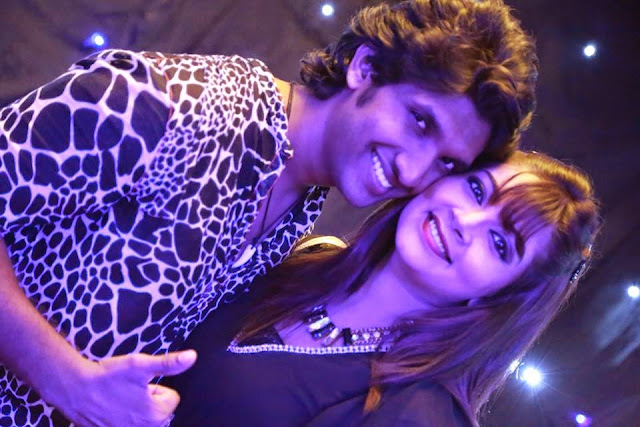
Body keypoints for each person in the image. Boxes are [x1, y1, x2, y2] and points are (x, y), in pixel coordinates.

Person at [0, 0, 538, 425]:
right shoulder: (171, 104)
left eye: (447, 162)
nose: (414, 171)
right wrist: (67, 380)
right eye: (420, 121)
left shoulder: (301, 215)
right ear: (366, 67)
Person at [165, 151, 600, 426]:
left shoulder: (418, 414)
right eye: (476, 190)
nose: (464, 221)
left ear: (503, 294)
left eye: (500, 243)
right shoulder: (304, 254)